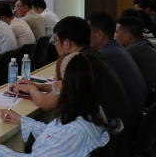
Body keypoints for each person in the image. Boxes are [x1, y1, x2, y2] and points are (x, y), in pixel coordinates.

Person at [10, 16, 132, 155]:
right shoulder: (90, 58)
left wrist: (31, 88)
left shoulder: (79, 65)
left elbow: (45, 104)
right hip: (110, 132)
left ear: (67, 43)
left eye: (55, 41)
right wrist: (39, 86)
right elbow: (66, 86)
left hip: (109, 141)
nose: (55, 45)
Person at [0, 53, 109, 156]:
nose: (56, 86)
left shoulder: (72, 133)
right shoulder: (94, 111)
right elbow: (54, 135)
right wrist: (22, 120)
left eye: (59, 81)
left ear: (68, 86)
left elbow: (61, 137)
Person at [88, 12, 147, 117]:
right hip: (138, 114)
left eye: (88, 32)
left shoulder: (104, 55)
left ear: (100, 35)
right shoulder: (117, 49)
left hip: (127, 120)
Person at [115, 16, 156, 91]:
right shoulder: (144, 44)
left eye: (117, 32)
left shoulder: (130, 51)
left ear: (127, 35)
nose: (115, 36)